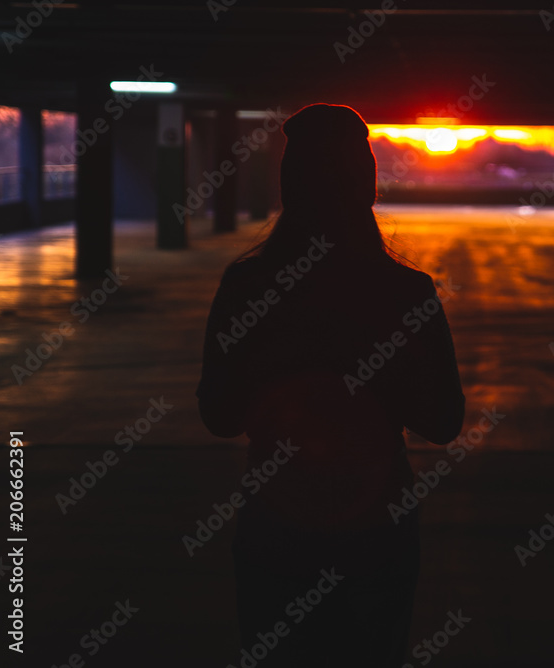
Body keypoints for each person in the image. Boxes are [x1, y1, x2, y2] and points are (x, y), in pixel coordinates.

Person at [196, 103, 465, 666]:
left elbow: (220, 417)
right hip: (379, 518)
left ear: (290, 187)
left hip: (277, 513)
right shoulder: (406, 291)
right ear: (366, 186)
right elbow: (443, 422)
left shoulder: (247, 286)